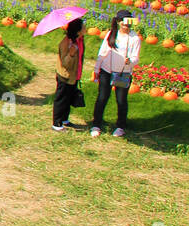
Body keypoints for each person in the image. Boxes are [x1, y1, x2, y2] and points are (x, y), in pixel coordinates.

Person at [90, 10, 139, 138]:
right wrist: (97, 69)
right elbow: (102, 52)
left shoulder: (134, 38)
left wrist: (130, 61)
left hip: (123, 73)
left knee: (121, 100)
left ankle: (120, 126)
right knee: (102, 97)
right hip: (107, 71)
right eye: (123, 21)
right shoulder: (111, 34)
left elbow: (136, 57)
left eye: (128, 22)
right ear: (118, 22)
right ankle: (96, 124)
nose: (126, 25)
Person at [52, 18, 86, 131]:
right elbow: (65, 63)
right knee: (61, 98)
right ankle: (56, 123)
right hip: (65, 75)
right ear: (78, 30)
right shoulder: (66, 43)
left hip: (74, 75)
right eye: (83, 26)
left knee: (69, 98)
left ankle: (65, 119)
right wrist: (71, 54)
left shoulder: (80, 40)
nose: (85, 28)